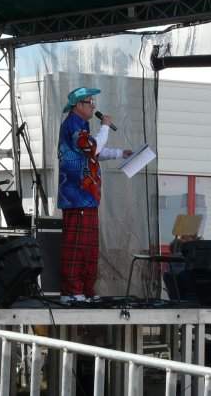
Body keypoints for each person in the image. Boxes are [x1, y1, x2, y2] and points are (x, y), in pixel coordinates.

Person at [57, 87, 131, 301]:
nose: (93, 106)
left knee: (88, 248)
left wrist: (120, 153)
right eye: (90, 102)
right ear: (78, 105)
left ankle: (85, 290)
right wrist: (105, 126)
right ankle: (72, 291)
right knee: (77, 247)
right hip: (76, 196)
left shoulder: (81, 126)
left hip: (86, 197)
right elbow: (93, 148)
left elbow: (93, 152)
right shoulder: (72, 125)